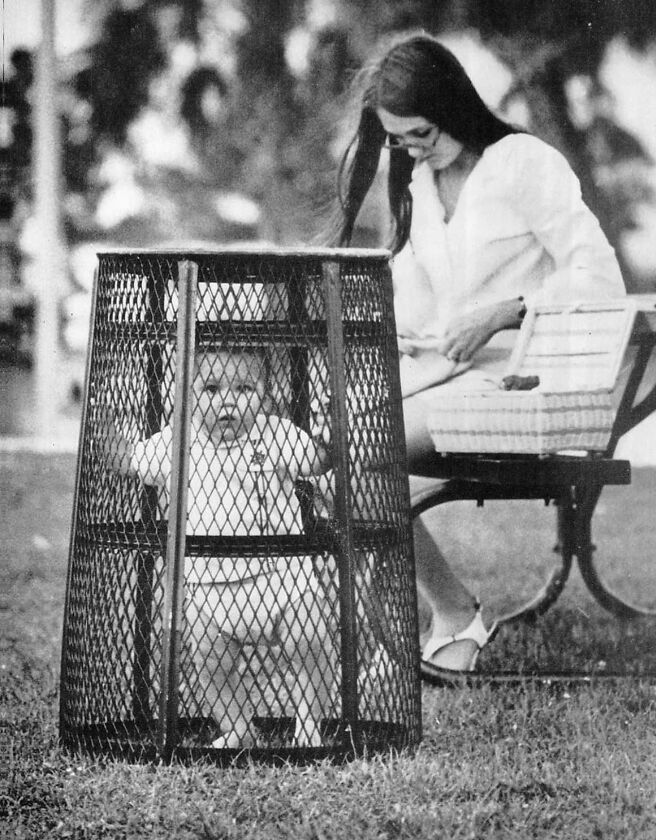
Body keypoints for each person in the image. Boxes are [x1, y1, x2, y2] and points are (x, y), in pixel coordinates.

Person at [332, 33, 626, 684]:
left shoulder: (521, 163)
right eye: (398, 139)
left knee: (359, 454)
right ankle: (417, 622)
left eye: (420, 132)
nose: (410, 147)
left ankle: (452, 614)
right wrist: (403, 331)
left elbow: (600, 277)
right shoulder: (422, 186)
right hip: (449, 379)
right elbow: (422, 301)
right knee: (326, 451)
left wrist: (506, 309)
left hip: (527, 386)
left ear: (454, 105)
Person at [104, 346, 335, 747]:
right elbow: (130, 461)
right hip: (210, 588)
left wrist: (329, 433)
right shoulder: (179, 440)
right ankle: (238, 728)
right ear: (189, 396)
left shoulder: (276, 433)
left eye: (244, 388)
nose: (227, 399)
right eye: (211, 388)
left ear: (265, 396)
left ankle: (309, 727)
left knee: (309, 639)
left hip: (281, 579)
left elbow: (316, 461)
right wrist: (102, 420)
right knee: (212, 662)